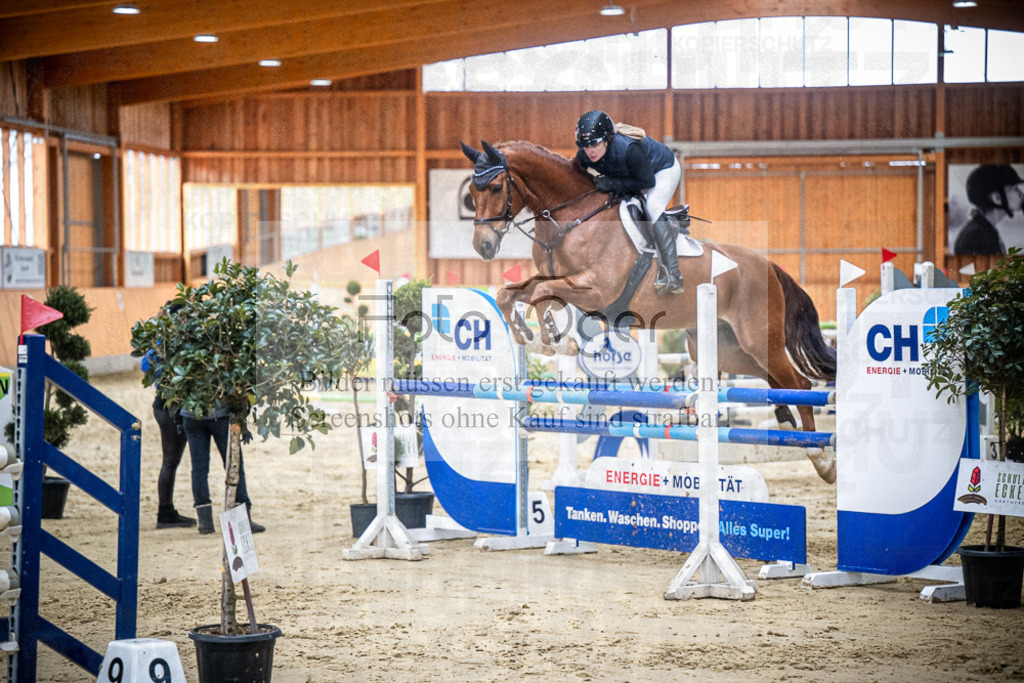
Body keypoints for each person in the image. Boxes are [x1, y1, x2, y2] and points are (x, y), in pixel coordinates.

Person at [574, 110, 684, 295]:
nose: (590, 151)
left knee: (653, 208)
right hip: (633, 174)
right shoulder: (585, 154)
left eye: (595, 144)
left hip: (661, 170)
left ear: (607, 140)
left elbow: (647, 183)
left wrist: (612, 184)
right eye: (585, 146)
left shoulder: (628, 149)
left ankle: (674, 275)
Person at [140, 304, 195, 530]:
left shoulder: (158, 343)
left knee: (170, 461)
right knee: (171, 461)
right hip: (172, 408)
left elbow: (145, 365)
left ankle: (167, 510)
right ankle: (165, 512)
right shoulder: (178, 344)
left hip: (161, 405)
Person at [182, 407, 265, 535]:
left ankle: (205, 522)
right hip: (220, 416)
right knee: (234, 465)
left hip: (192, 414)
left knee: (199, 468)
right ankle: (242, 519)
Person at [953, 164, 1024, 255]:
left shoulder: (984, 230)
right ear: (997, 198)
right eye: (1015, 189)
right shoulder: (977, 239)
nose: (1021, 194)